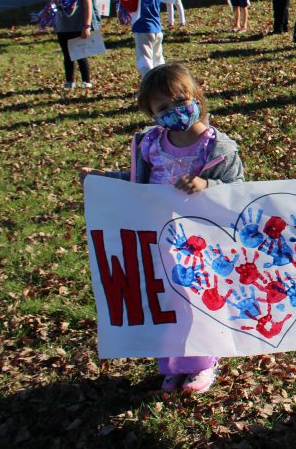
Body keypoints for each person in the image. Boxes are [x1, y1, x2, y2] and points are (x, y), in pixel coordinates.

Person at [80, 63, 245, 394]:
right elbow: (136, 182)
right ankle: (171, 364)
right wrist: (102, 179)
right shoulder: (150, 145)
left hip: (201, 242)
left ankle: (203, 362)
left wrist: (206, 184)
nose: (174, 112)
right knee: (165, 301)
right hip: (157, 238)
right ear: (151, 113)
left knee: (197, 300)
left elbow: (240, 190)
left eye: (180, 101)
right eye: (163, 108)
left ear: (196, 96)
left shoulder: (217, 147)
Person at [49, 0, 98, 88]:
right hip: (63, 28)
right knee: (67, 56)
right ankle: (70, 80)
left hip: (78, 27)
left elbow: (89, 9)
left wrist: (86, 26)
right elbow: (52, 7)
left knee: (81, 54)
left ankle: (86, 80)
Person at [118, 0, 165, 77]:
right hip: (157, 28)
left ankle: (148, 86)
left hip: (142, 28)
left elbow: (132, 8)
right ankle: (161, 83)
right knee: (157, 60)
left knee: (144, 61)